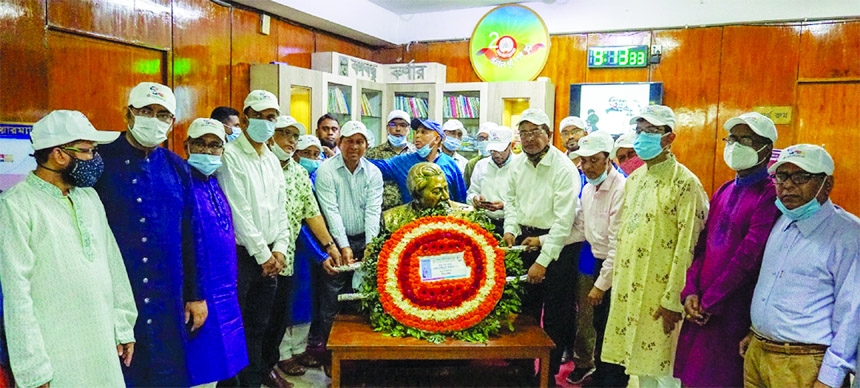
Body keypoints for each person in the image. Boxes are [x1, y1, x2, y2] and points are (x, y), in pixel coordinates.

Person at [0, 110, 137, 387]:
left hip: (101, 346)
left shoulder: (88, 197)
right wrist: (33, 367)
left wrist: (123, 325)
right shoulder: (16, 205)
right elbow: (17, 295)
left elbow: (112, 263)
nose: (95, 160)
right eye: (88, 151)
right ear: (59, 154)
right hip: (55, 353)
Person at [95, 82, 205, 387]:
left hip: (168, 295)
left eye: (162, 114)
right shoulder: (100, 161)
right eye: (145, 111)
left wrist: (196, 295)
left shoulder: (177, 168)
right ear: (128, 114)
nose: (153, 119)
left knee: (167, 372)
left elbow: (191, 234)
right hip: (117, 294)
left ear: (171, 122)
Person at [602, 105, 709, 388]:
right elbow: (625, 234)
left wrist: (673, 300)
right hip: (631, 289)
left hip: (663, 297)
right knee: (641, 368)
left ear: (669, 137)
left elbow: (689, 246)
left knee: (667, 370)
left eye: (652, 131)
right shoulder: (635, 180)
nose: (643, 137)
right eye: (640, 131)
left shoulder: (686, 184)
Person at [674, 112, 781, 387]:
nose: (735, 145)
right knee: (691, 379)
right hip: (702, 309)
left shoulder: (768, 194)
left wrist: (711, 299)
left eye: (745, 139)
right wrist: (691, 292)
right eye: (732, 138)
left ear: (766, 149)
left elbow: (748, 257)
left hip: (731, 311)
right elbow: (702, 247)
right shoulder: (724, 189)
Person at [741, 144, 860, 388]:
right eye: (781, 176)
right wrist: (757, 333)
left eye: (801, 176)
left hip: (804, 364)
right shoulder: (782, 221)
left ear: (827, 184)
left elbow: (852, 314)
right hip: (758, 355)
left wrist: (830, 378)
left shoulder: (848, 235)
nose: (788, 185)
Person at [215, 90, 293, 388]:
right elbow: (239, 211)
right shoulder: (231, 156)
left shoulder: (271, 159)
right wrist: (263, 255)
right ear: (245, 118)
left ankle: (254, 382)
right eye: (259, 117)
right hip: (244, 258)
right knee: (237, 328)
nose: (266, 123)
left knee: (260, 328)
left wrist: (281, 249)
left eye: (271, 117)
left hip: (271, 258)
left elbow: (281, 208)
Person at [502, 108, 581, 381]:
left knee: (557, 315)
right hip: (525, 241)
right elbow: (510, 201)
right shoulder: (517, 164)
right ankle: (523, 369)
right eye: (524, 133)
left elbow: (563, 222)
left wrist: (542, 262)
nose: (529, 139)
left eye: (536, 132)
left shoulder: (563, 168)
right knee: (525, 310)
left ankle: (548, 376)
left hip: (557, 248)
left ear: (548, 135)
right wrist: (510, 229)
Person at [265, 115, 340, 378]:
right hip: (261, 256)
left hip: (289, 255)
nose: (290, 141)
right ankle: (270, 365)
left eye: (294, 136)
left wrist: (330, 245)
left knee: (286, 310)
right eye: (284, 134)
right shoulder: (263, 165)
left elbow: (312, 212)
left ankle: (280, 358)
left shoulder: (298, 172)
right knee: (265, 318)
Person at [183, 118, 249, 387]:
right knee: (200, 368)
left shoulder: (216, 181)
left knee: (225, 366)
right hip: (199, 293)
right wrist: (191, 293)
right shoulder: (181, 181)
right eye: (200, 144)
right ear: (187, 146)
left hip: (226, 292)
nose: (208, 151)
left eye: (214, 145)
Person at [314, 121, 383, 371]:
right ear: (340, 142)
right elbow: (330, 211)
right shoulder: (326, 171)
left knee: (363, 295)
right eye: (349, 141)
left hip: (365, 238)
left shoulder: (374, 172)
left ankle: (358, 355)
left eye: (360, 141)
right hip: (334, 241)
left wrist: (372, 245)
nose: (354, 146)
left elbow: (373, 211)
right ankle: (330, 359)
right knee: (332, 297)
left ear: (366, 145)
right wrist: (343, 246)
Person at [568, 131, 629, 387]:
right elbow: (581, 230)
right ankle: (601, 373)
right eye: (583, 161)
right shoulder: (588, 188)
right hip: (594, 261)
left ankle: (613, 380)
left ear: (608, 159)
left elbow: (618, 244)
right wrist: (543, 241)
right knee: (598, 323)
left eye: (594, 160)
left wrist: (600, 285)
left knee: (613, 327)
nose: (588, 167)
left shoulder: (621, 188)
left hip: (617, 268)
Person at [558, 115, 598, 379]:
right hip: (561, 242)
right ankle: (564, 346)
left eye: (576, 132)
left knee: (585, 302)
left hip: (586, 247)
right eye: (566, 133)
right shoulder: (557, 162)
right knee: (562, 299)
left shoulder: (595, 164)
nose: (571, 137)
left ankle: (585, 360)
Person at [369, 118, 467, 204]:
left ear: (437, 139)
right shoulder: (403, 162)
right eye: (417, 132)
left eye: (423, 132)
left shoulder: (450, 164)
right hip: (413, 221)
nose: (417, 136)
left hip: (443, 222)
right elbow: (372, 166)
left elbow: (461, 200)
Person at [383, 162, 474, 233]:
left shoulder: (467, 215)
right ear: (417, 195)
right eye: (437, 191)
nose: (446, 197)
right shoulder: (391, 220)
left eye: (446, 188)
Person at [466, 125, 516, 234]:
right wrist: (475, 199)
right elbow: (471, 193)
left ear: (511, 146)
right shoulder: (481, 165)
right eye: (493, 151)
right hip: (485, 222)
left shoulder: (520, 166)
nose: (496, 154)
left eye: (500, 150)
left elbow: (525, 202)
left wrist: (504, 205)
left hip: (513, 224)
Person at [366, 110, 416, 210]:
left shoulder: (415, 154)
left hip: (410, 211)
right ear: (387, 127)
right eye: (393, 124)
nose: (398, 129)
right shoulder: (373, 154)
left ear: (409, 129)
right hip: (382, 211)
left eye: (403, 125)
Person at [464, 121, 495, 188]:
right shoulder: (472, 164)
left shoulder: (501, 161)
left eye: (488, 138)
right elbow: (468, 190)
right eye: (481, 138)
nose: (484, 141)